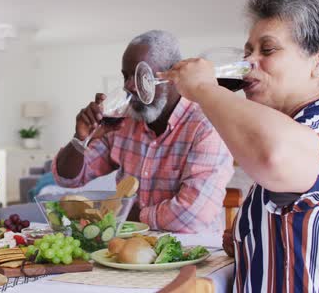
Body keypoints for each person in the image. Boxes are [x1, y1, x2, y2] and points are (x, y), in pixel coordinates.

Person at [160, 0, 319, 291]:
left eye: (267, 50)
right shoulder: (287, 127)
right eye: (248, 51)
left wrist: (204, 89)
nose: (249, 62)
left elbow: (275, 156)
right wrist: (249, 239)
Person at [53, 30, 234, 233]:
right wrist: (80, 140)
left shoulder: (207, 125)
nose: (129, 86)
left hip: (195, 254)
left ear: (172, 76)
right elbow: (68, 179)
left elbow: (192, 216)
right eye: (125, 76)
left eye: (140, 76)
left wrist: (123, 212)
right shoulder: (122, 122)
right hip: (127, 251)